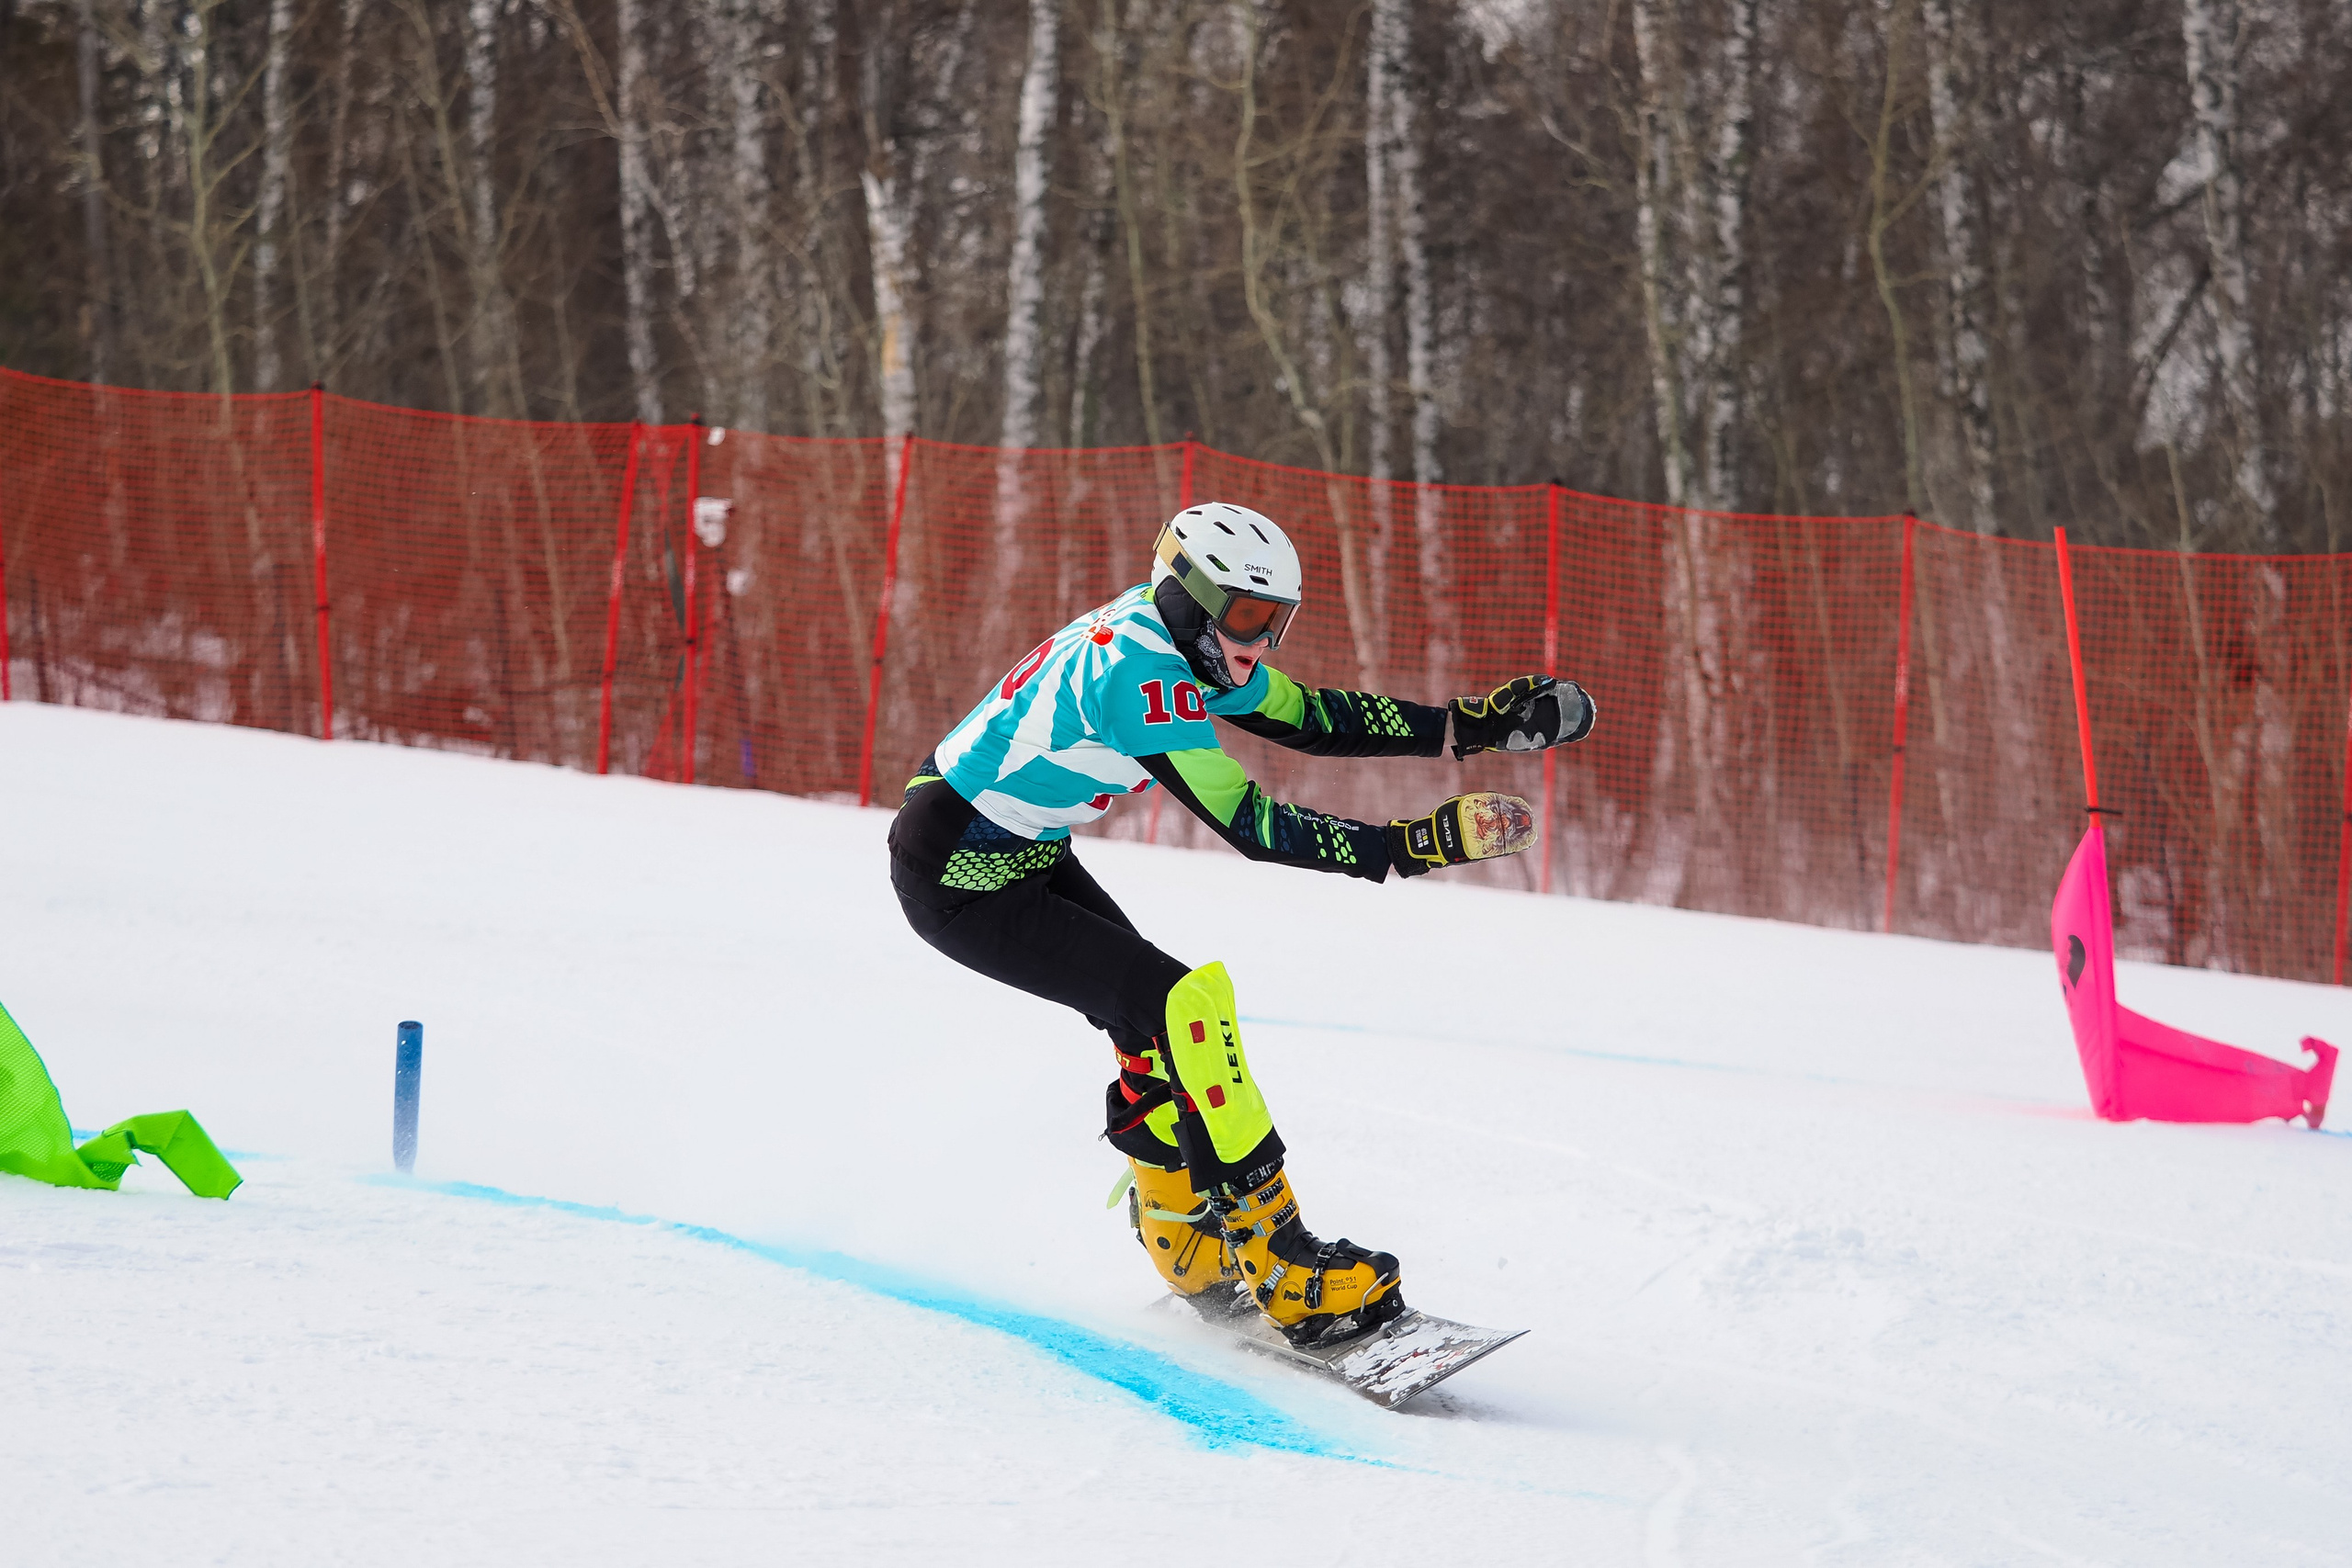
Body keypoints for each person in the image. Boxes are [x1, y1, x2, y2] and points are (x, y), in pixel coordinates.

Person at [888, 502, 1595, 1346]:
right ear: (1187, 598)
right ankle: (1281, 1261)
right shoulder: (1140, 674)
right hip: (960, 872)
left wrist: (1463, 727)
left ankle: (1185, 1237)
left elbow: (1312, 716)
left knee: (1153, 1023)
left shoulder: (1182, 643)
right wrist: (1410, 846)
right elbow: (1253, 824)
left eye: (1277, 620)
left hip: (1008, 847)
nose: (1261, 642)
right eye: (1249, 617)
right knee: (1190, 1008)